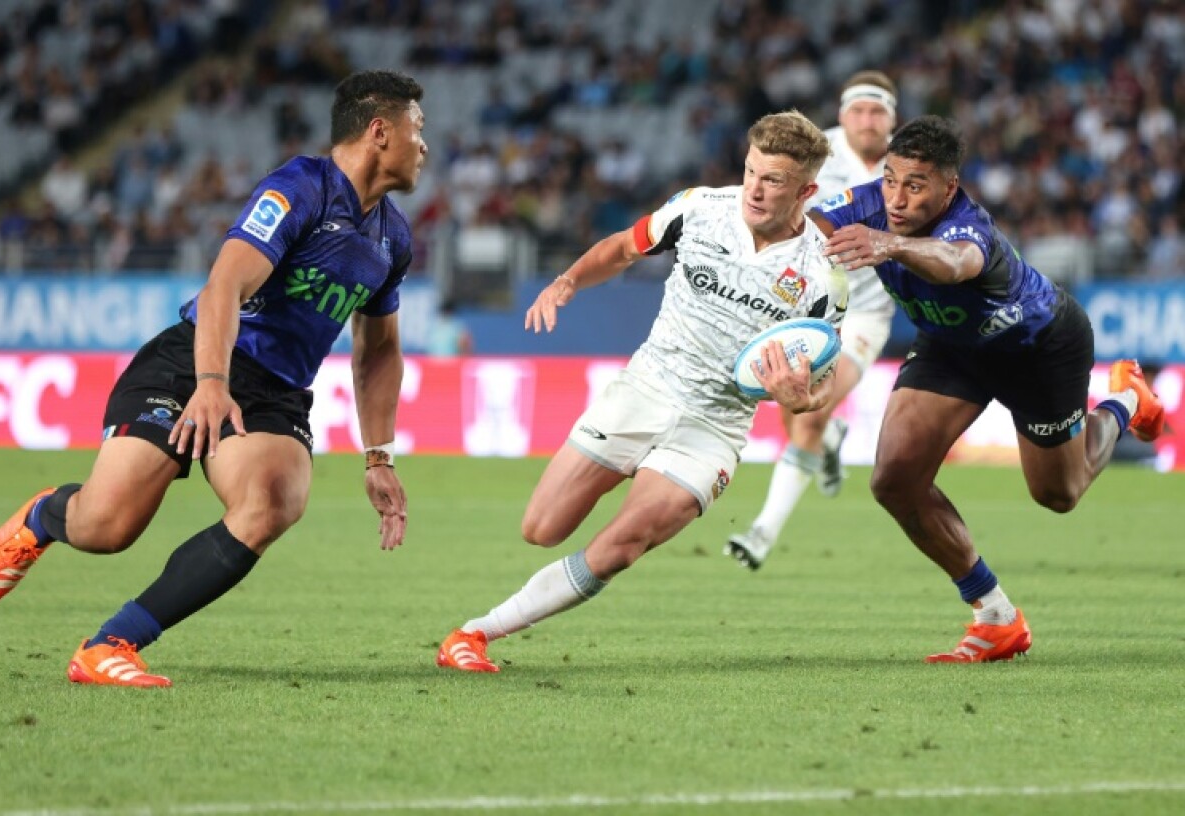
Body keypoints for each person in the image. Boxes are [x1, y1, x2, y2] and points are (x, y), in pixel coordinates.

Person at [0, 69, 428, 687]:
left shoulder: (393, 238)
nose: (424, 145)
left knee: (272, 502)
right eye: (416, 129)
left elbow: (378, 354)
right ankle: (46, 517)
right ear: (380, 131)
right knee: (108, 528)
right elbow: (224, 285)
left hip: (275, 391)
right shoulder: (301, 188)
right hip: (196, 359)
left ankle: (112, 644)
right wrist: (210, 382)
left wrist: (379, 454)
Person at [435, 111, 850, 673]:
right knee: (541, 528)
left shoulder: (824, 276)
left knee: (622, 547)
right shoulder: (700, 208)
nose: (753, 188)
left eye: (773, 180)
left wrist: (800, 401)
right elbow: (623, 248)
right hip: (645, 388)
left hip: (715, 426)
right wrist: (567, 282)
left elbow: (823, 377)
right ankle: (620, 468)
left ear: (807, 190)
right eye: (751, 170)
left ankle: (474, 635)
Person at [810, 115, 1164, 663]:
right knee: (894, 479)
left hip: (1038, 348)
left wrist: (887, 246)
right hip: (952, 347)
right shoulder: (870, 203)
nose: (897, 199)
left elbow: (955, 264)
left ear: (948, 188)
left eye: (915, 185)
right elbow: (804, 226)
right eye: (891, 180)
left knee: (1058, 494)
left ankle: (1127, 401)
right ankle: (995, 615)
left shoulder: (967, 226)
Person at [726, 70, 899, 571]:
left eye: (878, 112)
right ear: (843, 116)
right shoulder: (817, 157)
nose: (868, 121)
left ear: (892, 118)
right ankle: (828, 443)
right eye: (859, 111)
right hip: (802, 304)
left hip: (865, 314)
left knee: (813, 408)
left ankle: (762, 532)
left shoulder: (904, 168)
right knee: (796, 408)